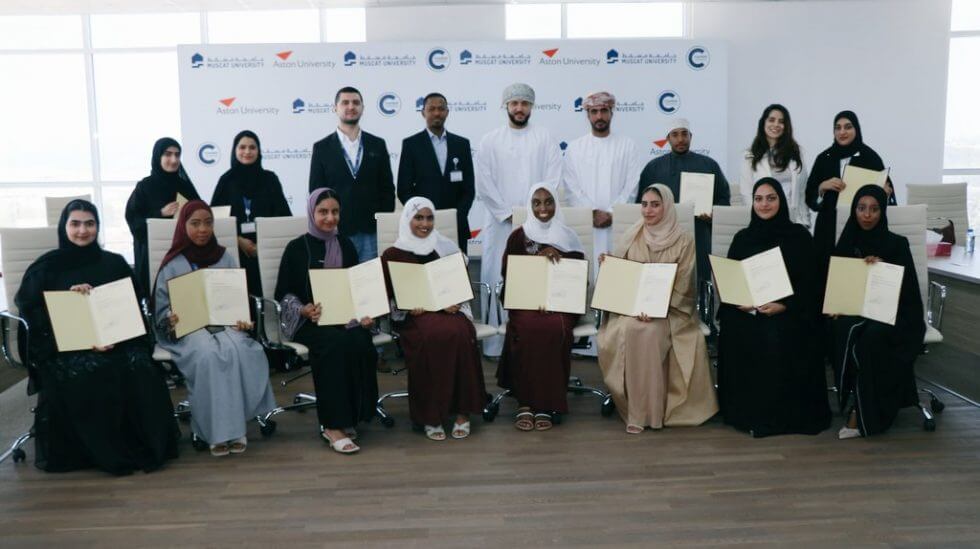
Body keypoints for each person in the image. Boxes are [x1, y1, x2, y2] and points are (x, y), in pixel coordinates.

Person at [15, 199, 179, 474]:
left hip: (118, 341)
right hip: (66, 346)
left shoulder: (114, 263)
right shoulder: (46, 268)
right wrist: (69, 299)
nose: (83, 230)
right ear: (64, 226)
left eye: (89, 224)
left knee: (140, 367)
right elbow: (35, 317)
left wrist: (117, 337)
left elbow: (131, 309)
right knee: (92, 372)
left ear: (98, 227)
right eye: (75, 224)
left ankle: (144, 444)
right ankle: (101, 453)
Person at [153, 200, 277, 457]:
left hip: (225, 324)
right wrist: (170, 319)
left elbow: (238, 298)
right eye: (195, 223)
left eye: (208, 223)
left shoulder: (224, 257)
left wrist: (242, 319)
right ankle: (213, 431)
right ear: (183, 226)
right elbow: (161, 312)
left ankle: (236, 427)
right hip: (189, 329)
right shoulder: (171, 264)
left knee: (240, 350)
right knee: (209, 355)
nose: (202, 229)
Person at [716, 178, 831, 437]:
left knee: (777, 333)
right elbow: (732, 281)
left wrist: (784, 306)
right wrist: (741, 302)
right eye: (759, 199)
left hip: (790, 310)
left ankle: (778, 415)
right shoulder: (743, 238)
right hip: (749, 309)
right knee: (736, 327)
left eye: (771, 198)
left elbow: (812, 285)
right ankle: (745, 412)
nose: (764, 204)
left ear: (781, 201)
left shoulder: (799, 237)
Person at [599, 184, 718, 433]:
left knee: (649, 332)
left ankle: (652, 414)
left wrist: (655, 309)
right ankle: (638, 412)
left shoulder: (684, 240)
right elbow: (621, 279)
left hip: (670, 312)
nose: (648, 210)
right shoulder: (632, 235)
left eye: (655, 204)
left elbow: (684, 286)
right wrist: (608, 266)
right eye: (644, 204)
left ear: (667, 206)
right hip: (632, 310)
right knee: (633, 329)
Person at [274, 188, 379, 454]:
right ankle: (332, 426)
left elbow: (357, 287)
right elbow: (283, 294)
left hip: (345, 318)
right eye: (323, 212)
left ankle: (353, 415)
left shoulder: (346, 245)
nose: (330, 218)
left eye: (335, 212)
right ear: (312, 213)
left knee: (360, 340)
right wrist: (302, 309)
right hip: (309, 322)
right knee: (333, 343)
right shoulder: (297, 248)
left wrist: (366, 313)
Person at [380, 197, 487, 440]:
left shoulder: (445, 248)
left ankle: (462, 412)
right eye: (418, 217)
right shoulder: (393, 254)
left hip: (448, 311)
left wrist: (454, 300)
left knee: (461, 333)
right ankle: (430, 415)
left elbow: (458, 286)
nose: (425, 224)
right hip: (414, 316)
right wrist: (406, 307)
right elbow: (387, 297)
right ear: (407, 219)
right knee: (429, 338)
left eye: (429, 218)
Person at [829, 186, 924, 439]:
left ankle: (863, 412)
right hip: (855, 311)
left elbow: (909, 294)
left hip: (893, 313)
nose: (867, 215)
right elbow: (838, 284)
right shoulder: (847, 242)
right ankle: (852, 398)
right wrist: (837, 304)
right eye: (861, 208)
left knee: (871, 339)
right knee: (842, 328)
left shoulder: (897, 244)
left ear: (882, 212)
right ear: (854, 210)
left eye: (874, 209)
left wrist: (884, 269)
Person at [476, 83, 562, 357]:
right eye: (514, 103)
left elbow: (553, 177)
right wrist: (508, 213)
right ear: (506, 106)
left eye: (524, 103)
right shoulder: (490, 140)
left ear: (531, 106)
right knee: (497, 276)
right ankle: (494, 345)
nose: (519, 108)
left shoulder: (545, 138)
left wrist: (533, 213)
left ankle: (532, 342)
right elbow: (484, 182)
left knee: (534, 280)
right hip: (499, 224)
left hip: (538, 225)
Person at [499, 184, 585, 431]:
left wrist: (558, 255)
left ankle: (547, 403)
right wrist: (534, 264)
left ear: (556, 204)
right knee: (527, 328)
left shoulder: (569, 236)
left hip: (560, 305)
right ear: (530, 206)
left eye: (549, 201)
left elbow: (579, 278)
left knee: (554, 329)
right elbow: (509, 277)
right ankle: (525, 402)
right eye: (536, 202)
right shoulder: (518, 236)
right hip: (526, 304)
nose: (543, 208)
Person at [637, 119, 730, 301]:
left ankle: (703, 309)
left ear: (690, 136)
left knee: (700, 275)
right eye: (675, 135)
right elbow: (641, 204)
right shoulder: (653, 168)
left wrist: (713, 214)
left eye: (684, 134)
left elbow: (723, 198)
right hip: (663, 236)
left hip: (699, 230)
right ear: (668, 139)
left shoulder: (709, 165)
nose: (680, 139)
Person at [308, 86, 395, 261]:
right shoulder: (322, 148)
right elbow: (316, 192)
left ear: (362, 108)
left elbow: (387, 189)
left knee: (369, 277)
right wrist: (328, 222)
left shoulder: (377, 144)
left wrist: (380, 223)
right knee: (339, 277)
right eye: (345, 102)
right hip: (336, 231)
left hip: (371, 232)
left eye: (356, 102)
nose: (351, 106)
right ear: (335, 108)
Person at [562, 90, 645, 275]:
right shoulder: (575, 148)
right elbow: (571, 187)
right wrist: (592, 212)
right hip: (586, 225)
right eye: (594, 111)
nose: (599, 116)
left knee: (617, 276)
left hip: (618, 224)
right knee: (586, 273)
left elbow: (631, 186)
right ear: (587, 115)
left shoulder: (628, 146)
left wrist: (612, 212)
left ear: (611, 113)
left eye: (604, 110)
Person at [806, 110, 897, 263]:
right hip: (828, 229)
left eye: (848, 127)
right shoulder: (824, 158)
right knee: (825, 272)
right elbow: (810, 198)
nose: (842, 132)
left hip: (862, 230)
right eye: (838, 128)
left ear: (856, 129)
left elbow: (886, 193)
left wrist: (884, 193)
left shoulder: (870, 157)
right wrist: (822, 187)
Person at [211, 130, 292, 296]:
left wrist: (263, 243)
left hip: (266, 252)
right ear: (235, 150)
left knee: (266, 297)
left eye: (252, 147)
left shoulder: (270, 179)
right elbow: (215, 221)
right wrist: (238, 240)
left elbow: (283, 217)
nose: (247, 151)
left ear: (258, 151)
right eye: (242, 147)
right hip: (235, 252)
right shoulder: (226, 181)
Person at [396, 93, 476, 253]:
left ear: (447, 112)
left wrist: (456, 217)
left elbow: (469, 189)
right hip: (422, 228)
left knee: (458, 267)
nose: (437, 113)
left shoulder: (461, 144)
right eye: (431, 109)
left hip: (456, 226)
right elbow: (404, 189)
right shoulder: (411, 144)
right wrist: (421, 216)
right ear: (423, 113)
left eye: (441, 109)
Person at [126, 137, 201, 295]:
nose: (173, 160)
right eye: (168, 154)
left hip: (183, 254)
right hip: (153, 256)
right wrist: (160, 213)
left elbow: (201, 213)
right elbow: (134, 219)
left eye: (177, 155)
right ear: (157, 156)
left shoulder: (185, 186)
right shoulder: (145, 187)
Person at [739, 105, 811, 226]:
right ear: (763, 123)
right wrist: (759, 219)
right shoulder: (749, 156)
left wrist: (805, 221)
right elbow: (746, 193)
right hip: (763, 221)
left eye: (781, 122)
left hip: (792, 221)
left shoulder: (796, 152)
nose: (776, 125)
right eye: (771, 120)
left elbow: (802, 191)